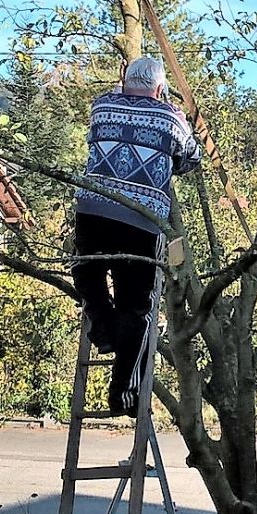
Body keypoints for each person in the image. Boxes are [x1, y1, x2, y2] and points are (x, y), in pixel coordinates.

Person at [74, 54, 201, 415]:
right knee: (136, 307)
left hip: (94, 210)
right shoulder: (171, 118)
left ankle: (102, 328)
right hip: (140, 221)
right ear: (160, 88)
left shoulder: (102, 107)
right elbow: (191, 159)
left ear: (124, 80)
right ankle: (123, 395)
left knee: (88, 275)